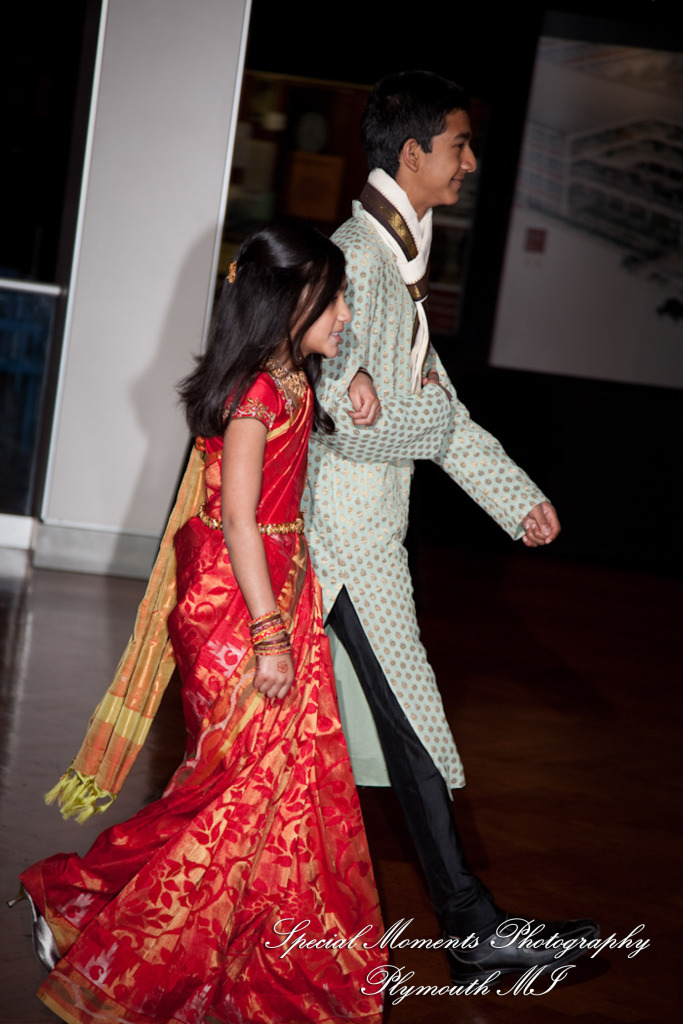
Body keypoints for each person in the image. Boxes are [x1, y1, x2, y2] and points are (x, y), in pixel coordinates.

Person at [14, 221, 385, 1024]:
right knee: (228, 790)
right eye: (336, 300)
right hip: (239, 605)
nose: (346, 314)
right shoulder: (255, 395)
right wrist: (268, 635)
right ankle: (97, 921)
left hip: (274, 589)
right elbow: (242, 522)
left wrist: (353, 379)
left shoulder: (290, 375)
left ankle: (224, 942)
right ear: (290, 301)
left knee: (257, 791)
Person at [303, 70, 599, 981]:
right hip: (348, 539)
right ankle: (471, 933)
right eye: (459, 146)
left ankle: (433, 930)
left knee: (318, 747)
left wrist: (516, 498)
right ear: (412, 155)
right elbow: (346, 417)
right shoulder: (358, 259)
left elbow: (440, 410)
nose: (470, 162)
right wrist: (422, 415)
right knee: (411, 731)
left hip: (369, 534)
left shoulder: (398, 259)